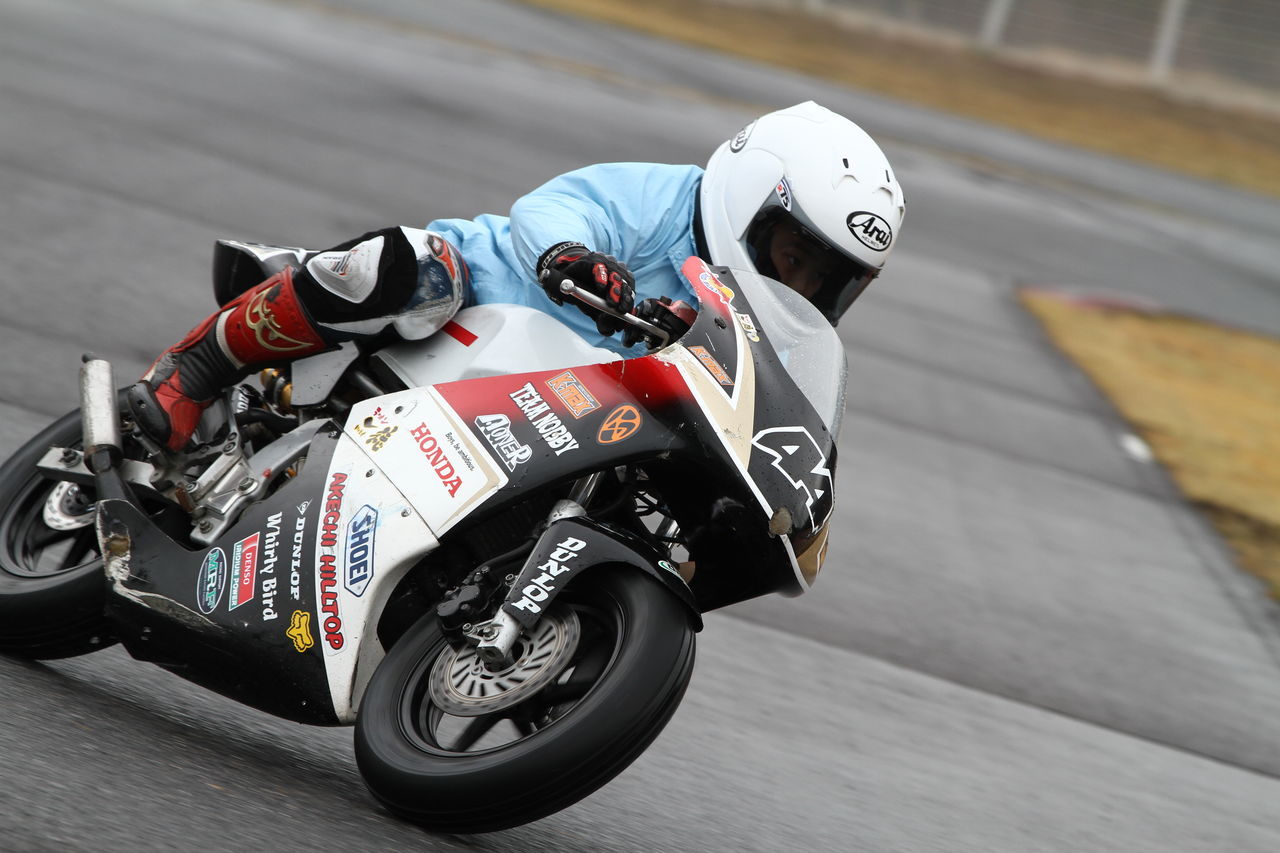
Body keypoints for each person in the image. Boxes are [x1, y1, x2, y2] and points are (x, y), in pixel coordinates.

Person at [127, 101, 906, 451]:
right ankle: (195, 369)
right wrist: (573, 255)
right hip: (476, 299)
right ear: (753, 200)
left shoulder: (760, 327)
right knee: (414, 273)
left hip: (557, 413)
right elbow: (556, 205)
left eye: (827, 281)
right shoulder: (670, 198)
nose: (801, 287)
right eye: (794, 257)